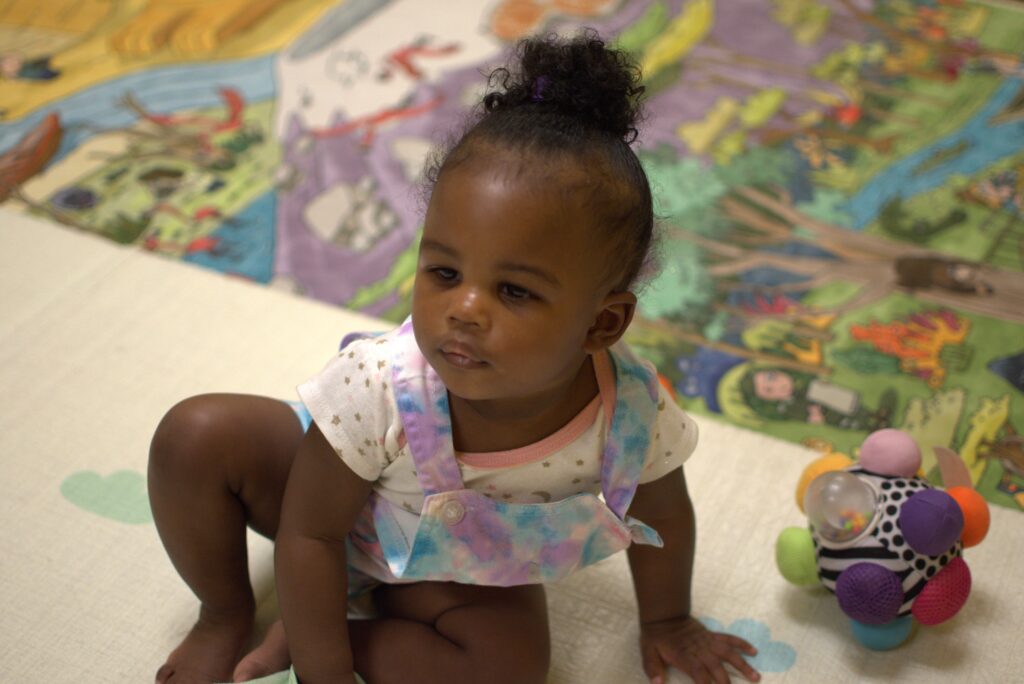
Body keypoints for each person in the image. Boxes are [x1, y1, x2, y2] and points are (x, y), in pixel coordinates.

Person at [149, 31, 762, 684]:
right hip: (324, 510)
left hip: (457, 570)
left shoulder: (632, 411)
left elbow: (664, 513)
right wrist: (322, 675)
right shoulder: (381, 383)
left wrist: (667, 621)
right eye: (444, 271)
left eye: (514, 290)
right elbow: (311, 534)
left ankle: (322, 631)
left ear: (601, 323)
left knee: (511, 669)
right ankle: (225, 614)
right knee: (197, 436)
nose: (464, 308)